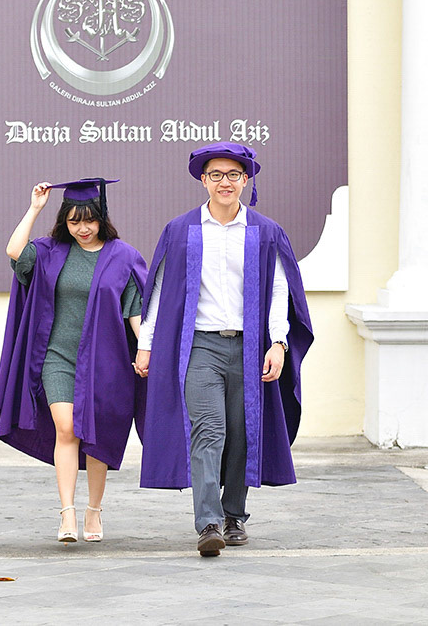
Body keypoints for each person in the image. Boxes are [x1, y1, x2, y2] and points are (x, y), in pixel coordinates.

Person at [134, 142, 313, 557]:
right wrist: (146, 345)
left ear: (245, 180)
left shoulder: (265, 231)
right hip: (200, 346)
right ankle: (209, 523)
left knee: (241, 432)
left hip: (249, 347)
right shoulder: (181, 230)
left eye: (233, 175)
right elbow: (158, 291)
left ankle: (234, 514)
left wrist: (279, 342)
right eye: (216, 175)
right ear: (203, 180)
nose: (225, 182)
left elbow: (280, 291)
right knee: (209, 430)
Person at [0, 177, 147, 544]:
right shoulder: (50, 251)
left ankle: (94, 510)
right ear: (65, 220)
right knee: (67, 428)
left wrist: (146, 349)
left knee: (96, 435)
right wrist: (35, 208)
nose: (83, 228)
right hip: (57, 356)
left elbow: (134, 310)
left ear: (102, 218)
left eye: (89, 220)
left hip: (105, 361)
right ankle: (67, 513)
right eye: (75, 221)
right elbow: (14, 250)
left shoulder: (123, 256)